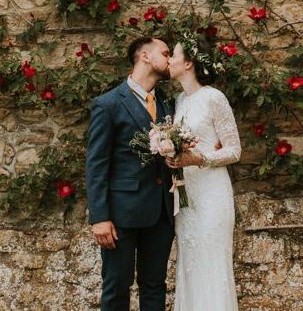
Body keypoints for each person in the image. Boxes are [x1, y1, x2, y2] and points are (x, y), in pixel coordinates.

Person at [86, 36, 175, 311]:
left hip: (160, 211)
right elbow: (97, 163)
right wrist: (100, 218)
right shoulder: (108, 104)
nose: (170, 59)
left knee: (155, 287)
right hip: (121, 215)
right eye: (165, 53)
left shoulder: (167, 105)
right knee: (116, 287)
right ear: (145, 57)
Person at [166, 31, 241, 311]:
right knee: (191, 265)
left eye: (173, 54)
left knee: (211, 264)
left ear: (189, 63)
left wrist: (199, 158)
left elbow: (234, 150)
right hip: (187, 197)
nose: (169, 59)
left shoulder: (214, 98)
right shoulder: (180, 102)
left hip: (211, 193)